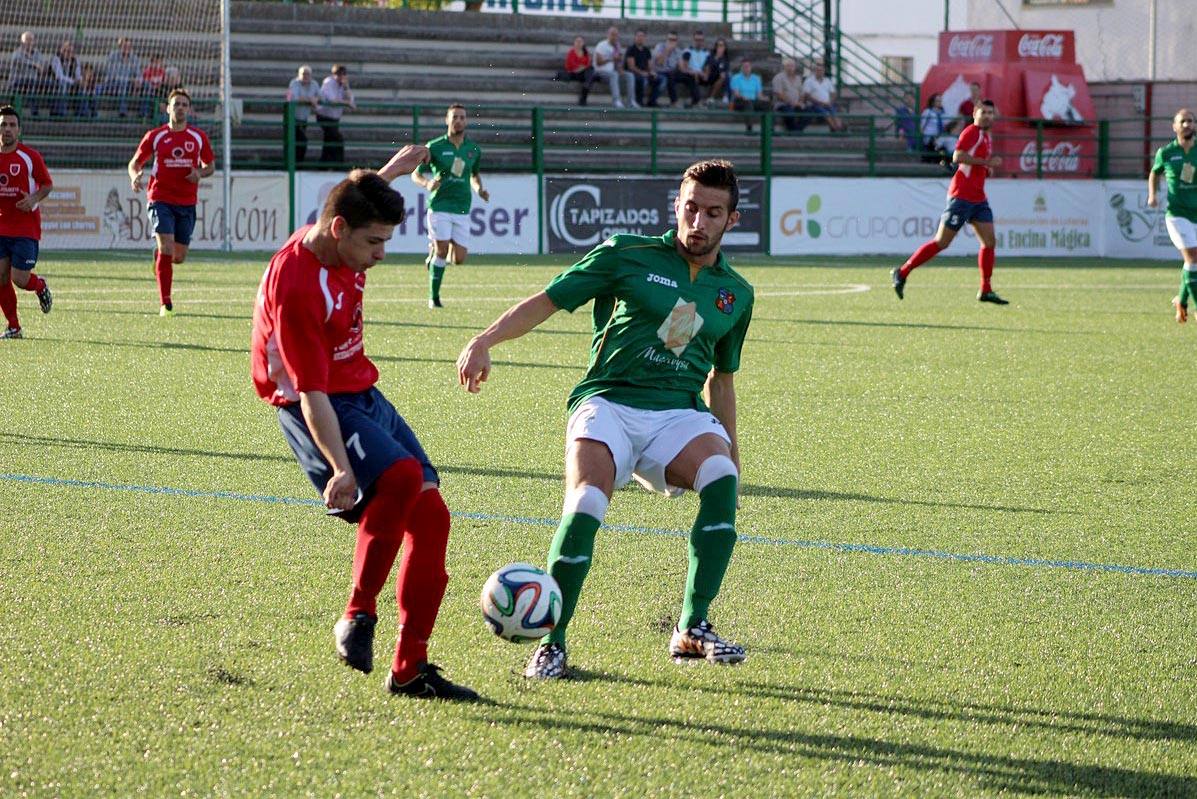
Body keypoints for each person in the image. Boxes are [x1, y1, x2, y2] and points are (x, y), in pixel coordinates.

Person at [455, 159, 754, 680]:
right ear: (676, 207)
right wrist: (485, 340)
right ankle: (553, 641)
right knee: (588, 499)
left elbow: (721, 381)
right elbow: (549, 300)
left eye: (712, 212)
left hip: (677, 413)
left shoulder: (736, 294)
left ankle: (692, 626)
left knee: (723, 476)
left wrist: (731, 447)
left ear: (732, 219)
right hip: (608, 402)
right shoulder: (627, 253)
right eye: (690, 208)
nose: (698, 222)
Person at [250, 144, 479, 702]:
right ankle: (357, 613)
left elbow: (356, 191)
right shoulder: (298, 286)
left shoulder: (340, 235)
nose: (380, 255)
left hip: (360, 388)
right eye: (373, 243)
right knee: (400, 478)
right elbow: (309, 392)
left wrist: (394, 171)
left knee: (433, 518)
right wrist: (341, 469)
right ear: (339, 229)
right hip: (318, 403)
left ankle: (410, 669)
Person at [892, 100, 1007, 305]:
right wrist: (986, 163)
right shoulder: (972, 132)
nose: (987, 116)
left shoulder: (986, 136)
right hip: (961, 197)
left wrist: (985, 168)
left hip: (978, 198)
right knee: (941, 242)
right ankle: (902, 272)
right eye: (984, 112)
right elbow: (958, 156)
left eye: (991, 112)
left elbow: (973, 163)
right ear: (975, 113)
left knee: (989, 242)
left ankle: (985, 289)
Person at [128, 88, 215, 316]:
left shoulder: (198, 137)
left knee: (178, 257)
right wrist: (134, 176)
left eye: (184, 105)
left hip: (186, 202)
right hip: (160, 198)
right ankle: (165, 304)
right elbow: (134, 163)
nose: (180, 108)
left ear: (190, 110)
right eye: (176, 104)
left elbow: (210, 166)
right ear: (168, 108)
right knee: (166, 245)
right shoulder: (155, 136)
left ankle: (159, 258)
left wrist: (199, 173)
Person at [411, 104, 488, 309]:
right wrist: (427, 183)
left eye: (462, 117)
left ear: (467, 121)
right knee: (443, 252)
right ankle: (433, 299)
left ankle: (433, 254)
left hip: (462, 206)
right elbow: (416, 173)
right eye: (455, 117)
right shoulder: (434, 146)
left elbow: (474, 175)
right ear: (447, 120)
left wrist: (480, 189)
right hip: (440, 205)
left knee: (459, 259)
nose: (459, 121)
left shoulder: (473, 149)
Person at [0, 106, 54, 340]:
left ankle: (40, 286)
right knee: (0, 277)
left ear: (19, 130)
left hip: (25, 228)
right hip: (1, 226)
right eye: (3, 124)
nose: (7, 129)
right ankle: (14, 326)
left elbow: (47, 184)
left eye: (12, 125)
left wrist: (32, 199)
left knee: (19, 279)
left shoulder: (29, 157)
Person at [1148, 109, 1197, 323]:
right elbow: (1154, 173)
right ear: (1175, 127)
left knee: (1193, 263)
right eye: (1182, 121)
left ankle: (1182, 301)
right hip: (1177, 215)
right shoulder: (1166, 153)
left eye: (1191, 121)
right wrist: (1153, 194)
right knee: (1193, 257)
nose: (1187, 124)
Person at [318, 64, 355, 165]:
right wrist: (346, 103)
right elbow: (332, 100)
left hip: (334, 118)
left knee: (329, 140)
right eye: (338, 74)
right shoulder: (328, 82)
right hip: (324, 116)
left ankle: (325, 164)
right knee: (337, 139)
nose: (341, 77)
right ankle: (337, 164)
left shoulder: (344, 84)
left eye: (343, 74)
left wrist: (346, 87)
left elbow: (351, 100)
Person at [285, 65, 321, 163]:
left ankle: (298, 163)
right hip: (292, 118)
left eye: (307, 74)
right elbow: (294, 98)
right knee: (299, 141)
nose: (305, 76)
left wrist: (316, 99)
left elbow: (320, 96)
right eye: (303, 74)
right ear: (299, 74)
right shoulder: (294, 83)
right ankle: (293, 164)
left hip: (303, 118)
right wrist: (310, 99)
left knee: (300, 142)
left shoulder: (314, 84)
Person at [593, 26, 634, 109]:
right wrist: (611, 58)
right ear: (608, 35)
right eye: (612, 34)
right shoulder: (601, 45)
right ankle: (616, 101)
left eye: (616, 35)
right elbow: (598, 63)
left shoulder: (617, 47)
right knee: (614, 74)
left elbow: (618, 63)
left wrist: (620, 68)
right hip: (600, 72)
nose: (614, 37)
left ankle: (631, 101)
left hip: (612, 71)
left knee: (629, 75)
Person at [9, 32, 47, 117]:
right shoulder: (17, 53)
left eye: (31, 40)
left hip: (33, 81)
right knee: (31, 84)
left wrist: (41, 68)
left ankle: (56, 112)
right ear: (22, 42)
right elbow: (19, 61)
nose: (29, 42)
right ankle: (35, 113)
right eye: (27, 39)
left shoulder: (38, 54)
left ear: (34, 42)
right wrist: (35, 65)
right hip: (18, 81)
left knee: (52, 84)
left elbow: (43, 66)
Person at [102, 37, 142, 118]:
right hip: (113, 83)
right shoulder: (113, 56)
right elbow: (111, 74)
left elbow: (138, 74)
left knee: (146, 85)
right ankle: (122, 111)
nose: (127, 49)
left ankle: (144, 113)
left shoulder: (134, 58)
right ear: (120, 47)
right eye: (124, 46)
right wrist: (130, 79)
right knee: (122, 83)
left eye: (128, 47)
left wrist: (138, 81)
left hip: (129, 83)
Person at [801, 61, 845, 132]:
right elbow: (807, 96)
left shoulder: (827, 80)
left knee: (833, 112)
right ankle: (836, 129)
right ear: (814, 71)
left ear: (824, 71)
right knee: (826, 113)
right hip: (815, 104)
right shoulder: (809, 81)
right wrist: (820, 102)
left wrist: (830, 102)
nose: (820, 72)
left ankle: (839, 128)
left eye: (821, 70)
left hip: (828, 103)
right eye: (818, 70)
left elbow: (833, 93)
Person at [729, 59, 767, 133]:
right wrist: (743, 97)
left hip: (753, 101)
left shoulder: (756, 78)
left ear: (751, 67)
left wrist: (765, 99)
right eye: (744, 66)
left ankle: (769, 129)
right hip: (739, 101)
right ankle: (749, 128)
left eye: (748, 66)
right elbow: (736, 93)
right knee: (748, 103)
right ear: (741, 68)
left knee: (767, 104)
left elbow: (759, 95)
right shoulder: (735, 78)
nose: (746, 68)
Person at [624, 29, 658, 108]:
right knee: (642, 80)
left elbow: (649, 66)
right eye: (638, 36)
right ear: (635, 37)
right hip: (633, 73)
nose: (640, 38)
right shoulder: (631, 49)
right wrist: (642, 73)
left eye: (642, 36)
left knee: (660, 79)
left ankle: (652, 101)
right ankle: (639, 102)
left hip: (644, 73)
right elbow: (631, 67)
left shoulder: (647, 50)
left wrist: (651, 72)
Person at [772, 57, 806, 132]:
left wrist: (800, 102)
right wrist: (792, 103)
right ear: (784, 67)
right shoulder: (778, 77)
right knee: (790, 113)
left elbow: (802, 93)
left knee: (809, 112)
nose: (790, 68)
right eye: (788, 66)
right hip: (782, 104)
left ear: (795, 67)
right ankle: (794, 131)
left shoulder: (798, 78)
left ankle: (797, 130)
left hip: (797, 104)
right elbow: (779, 94)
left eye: (792, 66)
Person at [919, 93, 956, 164]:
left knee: (951, 143)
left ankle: (951, 162)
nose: (939, 103)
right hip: (930, 137)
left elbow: (948, 124)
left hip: (940, 136)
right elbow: (922, 126)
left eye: (940, 101)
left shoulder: (943, 113)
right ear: (933, 102)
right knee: (938, 148)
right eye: (937, 101)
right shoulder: (928, 112)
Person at [651, 31, 685, 107]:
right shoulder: (660, 46)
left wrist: (681, 59)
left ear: (677, 41)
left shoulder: (678, 50)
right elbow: (659, 63)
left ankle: (696, 101)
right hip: (659, 71)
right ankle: (673, 101)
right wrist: (667, 50)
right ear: (666, 39)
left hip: (671, 73)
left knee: (688, 77)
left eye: (674, 40)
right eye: (670, 39)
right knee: (667, 78)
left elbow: (681, 68)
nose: (672, 41)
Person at [49, 40, 82, 117]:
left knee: (82, 88)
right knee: (62, 84)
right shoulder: (56, 58)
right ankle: (62, 113)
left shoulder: (75, 60)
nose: (68, 53)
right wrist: (73, 81)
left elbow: (78, 74)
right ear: (61, 51)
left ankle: (82, 113)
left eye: (70, 51)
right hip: (55, 84)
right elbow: (59, 76)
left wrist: (80, 80)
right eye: (66, 51)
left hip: (71, 84)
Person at [561, 36, 597, 106]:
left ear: (583, 43)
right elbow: (570, 66)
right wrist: (581, 67)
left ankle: (586, 87)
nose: (578, 43)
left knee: (591, 70)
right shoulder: (571, 52)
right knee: (591, 74)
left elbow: (588, 64)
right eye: (577, 41)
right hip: (573, 74)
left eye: (580, 41)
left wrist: (582, 67)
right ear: (574, 43)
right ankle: (584, 94)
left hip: (583, 74)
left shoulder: (585, 52)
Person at [683, 30, 712, 103]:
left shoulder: (706, 53)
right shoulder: (687, 51)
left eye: (700, 40)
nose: (698, 42)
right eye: (696, 40)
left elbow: (707, 67)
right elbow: (685, 67)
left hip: (701, 75)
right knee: (693, 77)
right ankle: (696, 100)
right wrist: (695, 72)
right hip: (690, 74)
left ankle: (711, 99)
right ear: (693, 40)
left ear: (703, 41)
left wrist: (705, 74)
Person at [704, 38, 731, 107]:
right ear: (716, 47)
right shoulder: (710, 56)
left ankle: (726, 96)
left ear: (725, 47)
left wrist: (722, 72)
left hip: (721, 78)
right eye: (718, 45)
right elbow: (707, 67)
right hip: (710, 76)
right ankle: (711, 97)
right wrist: (716, 59)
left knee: (727, 76)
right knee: (724, 76)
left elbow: (726, 70)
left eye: (722, 45)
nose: (720, 47)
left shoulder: (726, 59)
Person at [139, 54, 166, 119]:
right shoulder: (147, 71)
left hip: (159, 92)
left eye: (158, 62)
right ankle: (144, 113)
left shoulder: (162, 72)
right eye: (155, 62)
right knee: (148, 88)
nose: (156, 64)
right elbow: (146, 83)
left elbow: (164, 83)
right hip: (149, 93)